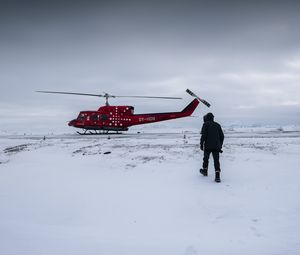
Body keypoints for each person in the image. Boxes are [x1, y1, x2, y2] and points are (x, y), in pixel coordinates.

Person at [200, 113, 224, 182]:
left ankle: (204, 171)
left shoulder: (205, 124)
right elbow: (222, 136)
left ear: (207, 118)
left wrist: (201, 144)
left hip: (208, 146)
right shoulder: (217, 125)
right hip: (216, 146)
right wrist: (220, 145)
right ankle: (217, 176)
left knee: (206, 159)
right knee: (216, 161)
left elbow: (203, 136)